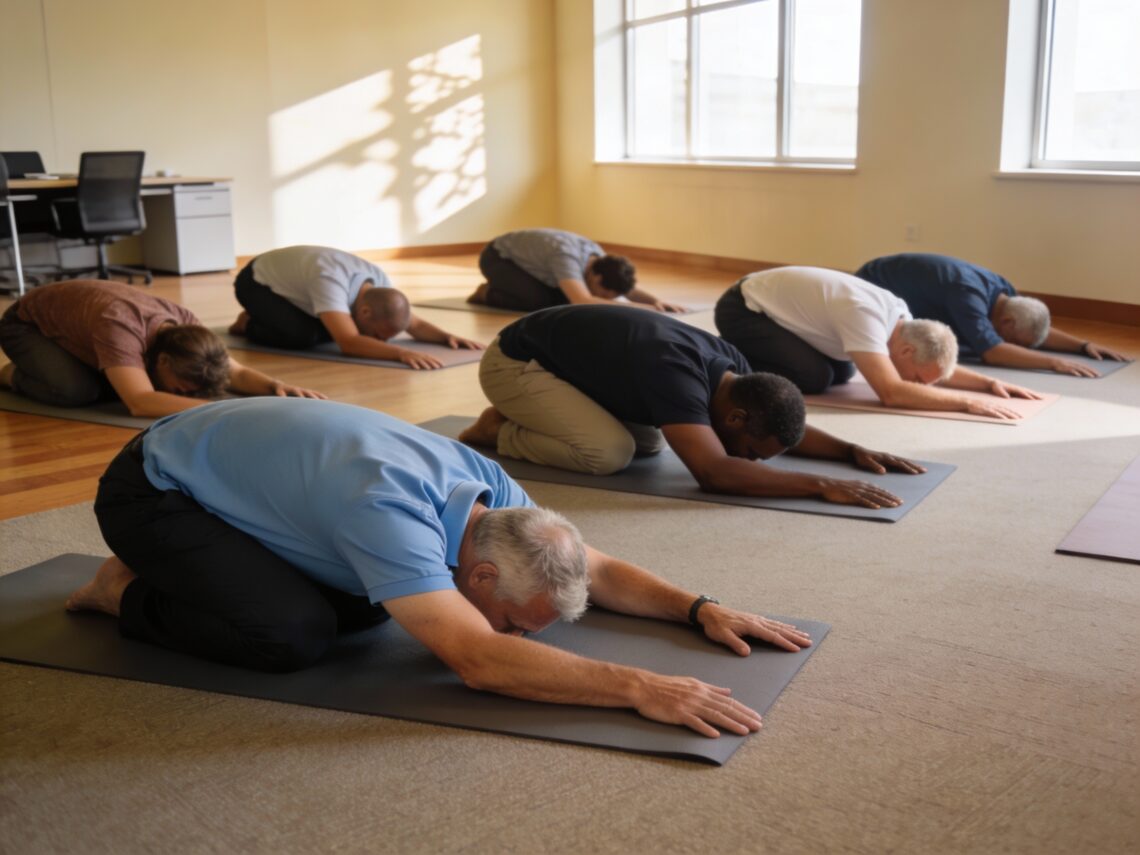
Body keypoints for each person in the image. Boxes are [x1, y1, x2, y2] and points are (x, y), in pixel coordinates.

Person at [67, 397, 812, 738]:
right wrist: (640, 685)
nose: (524, 636)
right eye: (522, 623)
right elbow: (479, 660)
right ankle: (120, 589)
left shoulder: (506, 506)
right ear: (482, 578)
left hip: (243, 459)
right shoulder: (387, 517)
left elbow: (597, 565)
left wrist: (699, 606)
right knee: (291, 636)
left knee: (367, 608)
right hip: (155, 489)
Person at [459, 304, 925, 510]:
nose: (749, 462)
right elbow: (715, 472)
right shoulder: (676, 377)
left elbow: (772, 430)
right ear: (736, 419)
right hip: (516, 363)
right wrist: (820, 485)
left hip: (567, 363)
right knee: (607, 454)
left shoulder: (737, 377)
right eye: (750, 452)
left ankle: (530, 417)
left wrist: (848, 451)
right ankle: (498, 429)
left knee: (646, 444)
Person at [714, 266, 1042, 421]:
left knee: (841, 373)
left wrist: (988, 383)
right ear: (906, 352)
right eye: (916, 378)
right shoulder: (867, 318)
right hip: (744, 309)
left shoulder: (904, 322)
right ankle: (726, 353)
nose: (919, 385)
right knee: (815, 378)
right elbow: (891, 392)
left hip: (779, 307)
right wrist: (967, 403)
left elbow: (930, 370)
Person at [0, 279, 323, 417]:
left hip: (81, 320)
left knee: (115, 382)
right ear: (163, 360)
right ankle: (12, 374)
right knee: (78, 392)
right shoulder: (120, 329)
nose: (186, 396)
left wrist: (275, 386)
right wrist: (218, 410)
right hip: (26, 325)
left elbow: (233, 371)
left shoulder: (187, 326)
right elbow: (140, 403)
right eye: (182, 389)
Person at [854, 253, 1130, 377]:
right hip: (871, 286)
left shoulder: (1005, 293)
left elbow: (1034, 332)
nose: (1018, 348)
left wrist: (1082, 346)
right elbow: (994, 351)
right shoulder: (968, 297)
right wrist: (1053, 363)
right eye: (1016, 342)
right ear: (1006, 322)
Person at [229, 245, 484, 370]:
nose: (380, 341)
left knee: (327, 328)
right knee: (305, 336)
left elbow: (412, 323)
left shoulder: (380, 282)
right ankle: (249, 322)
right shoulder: (330, 282)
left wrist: (446, 337)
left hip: (297, 281)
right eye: (377, 336)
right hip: (256, 280)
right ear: (364, 312)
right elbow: (349, 342)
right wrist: (400, 353)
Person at [466, 228, 685, 313]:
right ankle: (486, 293)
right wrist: (643, 309)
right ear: (597, 278)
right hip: (498, 257)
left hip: (529, 260)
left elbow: (626, 288)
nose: (604, 299)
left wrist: (657, 302)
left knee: (561, 297)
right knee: (542, 302)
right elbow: (582, 300)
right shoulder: (566, 258)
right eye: (604, 295)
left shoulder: (598, 259)